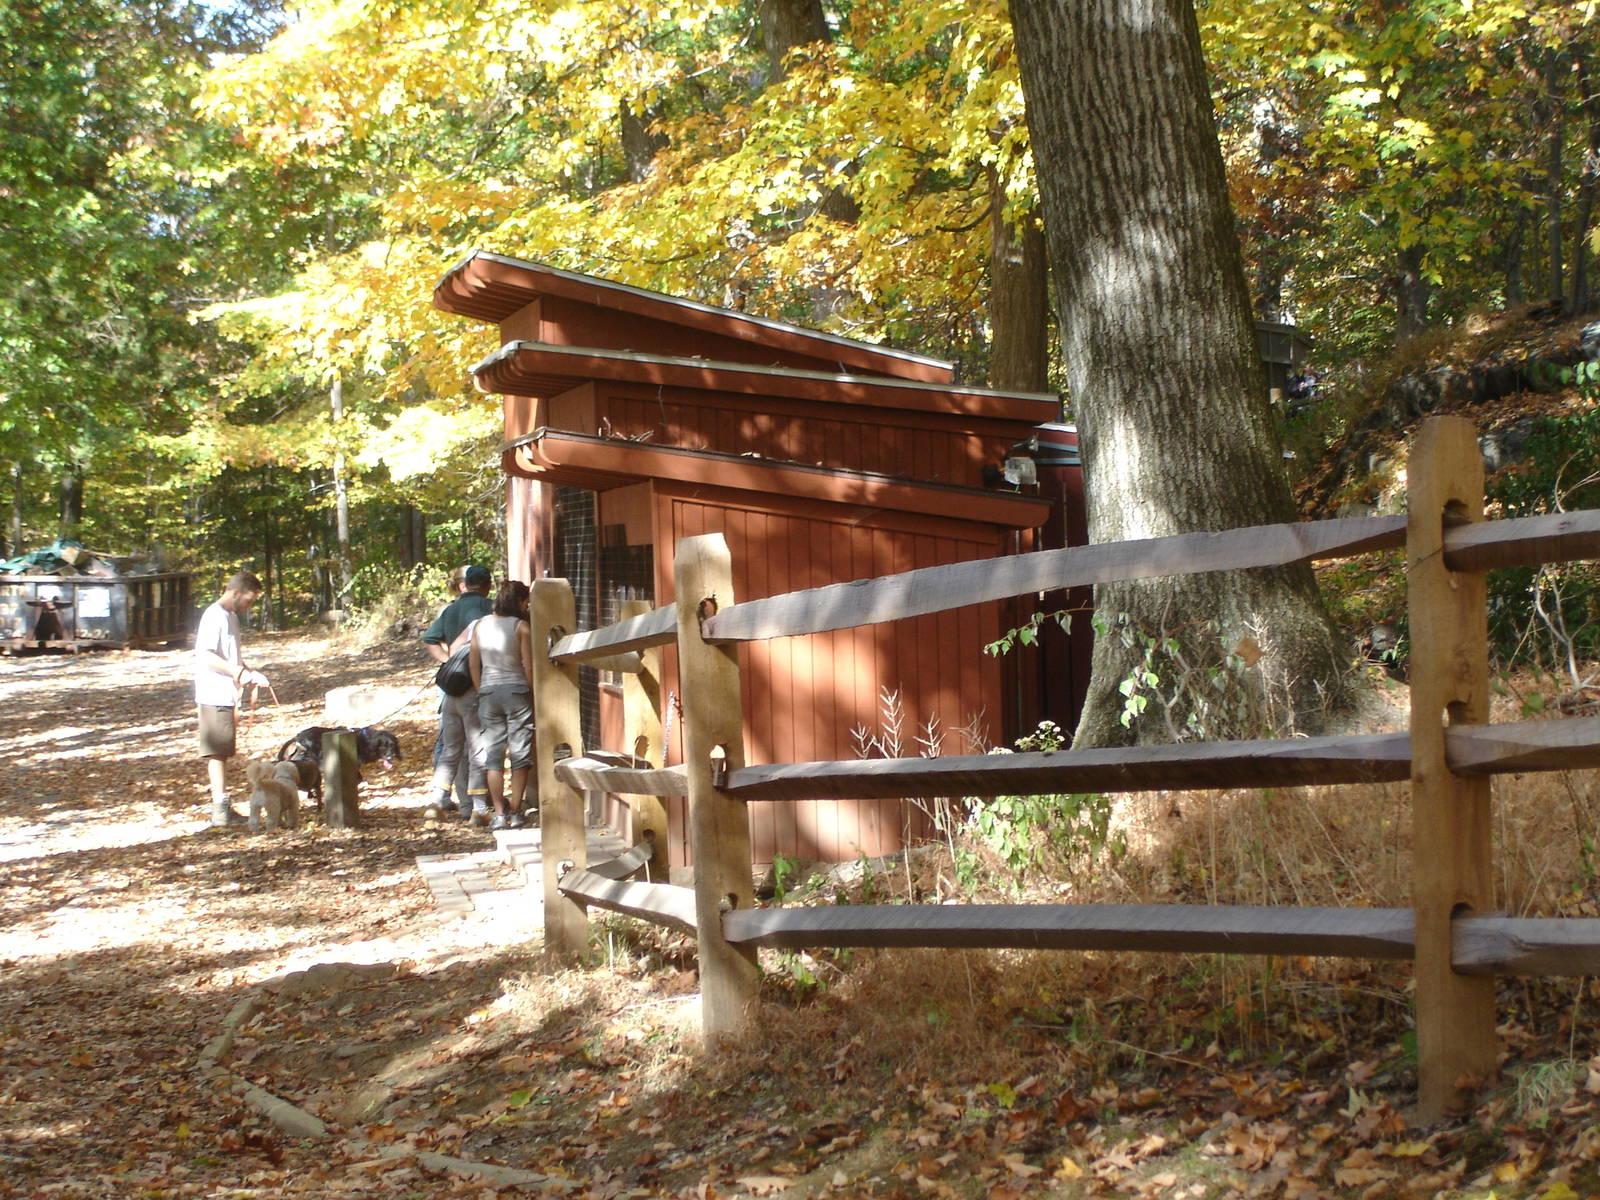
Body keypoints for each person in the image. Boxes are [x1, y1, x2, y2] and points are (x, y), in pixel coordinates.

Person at [194, 570, 271, 827]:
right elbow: (205, 655)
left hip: (226, 692)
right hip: (212, 691)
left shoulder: (231, 617)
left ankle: (223, 805)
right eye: (249, 600)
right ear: (235, 593)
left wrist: (249, 672)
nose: (250, 605)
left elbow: (230, 656)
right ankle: (220, 809)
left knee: (224, 749)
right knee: (217, 751)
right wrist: (237, 672)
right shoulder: (213, 616)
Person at [421, 564, 493, 820]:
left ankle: (438, 801)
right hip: (476, 685)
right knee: (477, 749)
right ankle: (478, 807)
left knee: (452, 749)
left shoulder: (450, 609)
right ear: (488, 584)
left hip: (451, 689)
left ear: (465, 584)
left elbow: (430, 639)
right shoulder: (489, 608)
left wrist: (449, 663)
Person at [469, 580, 535, 831]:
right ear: (519, 602)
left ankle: (498, 813)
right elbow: (528, 665)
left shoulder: (480, 626)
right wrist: (531, 691)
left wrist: (481, 689)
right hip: (517, 691)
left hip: (488, 692)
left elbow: (474, 663)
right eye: (525, 601)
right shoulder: (521, 627)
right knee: (520, 753)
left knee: (493, 757)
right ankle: (516, 811)